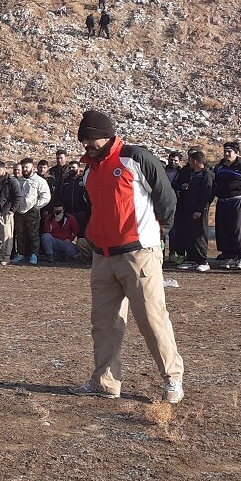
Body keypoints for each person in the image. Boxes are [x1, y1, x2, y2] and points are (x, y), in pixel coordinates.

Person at [71, 110, 184, 403]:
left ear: (107, 135)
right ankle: (105, 382)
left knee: (151, 318)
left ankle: (172, 378)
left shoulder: (135, 158)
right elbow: (95, 208)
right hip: (103, 258)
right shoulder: (88, 170)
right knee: (104, 323)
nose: (87, 145)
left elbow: (166, 198)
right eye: (83, 140)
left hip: (139, 254)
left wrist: (157, 236)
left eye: (91, 139)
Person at [213, 142, 241, 269]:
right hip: (223, 200)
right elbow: (215, 183)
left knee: (238, 229)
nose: (226, 154)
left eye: (229, 152)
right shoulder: (219, 167)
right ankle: (229, 256)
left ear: (236, 153)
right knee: (224, 229)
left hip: (238, 200)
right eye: (225, 151)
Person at [0, 161, 21, 265]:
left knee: (6, 235)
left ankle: (6, 257)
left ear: (4, 169)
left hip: (6, 210)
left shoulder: (12, 181)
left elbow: (18, 197)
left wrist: (12, 210)